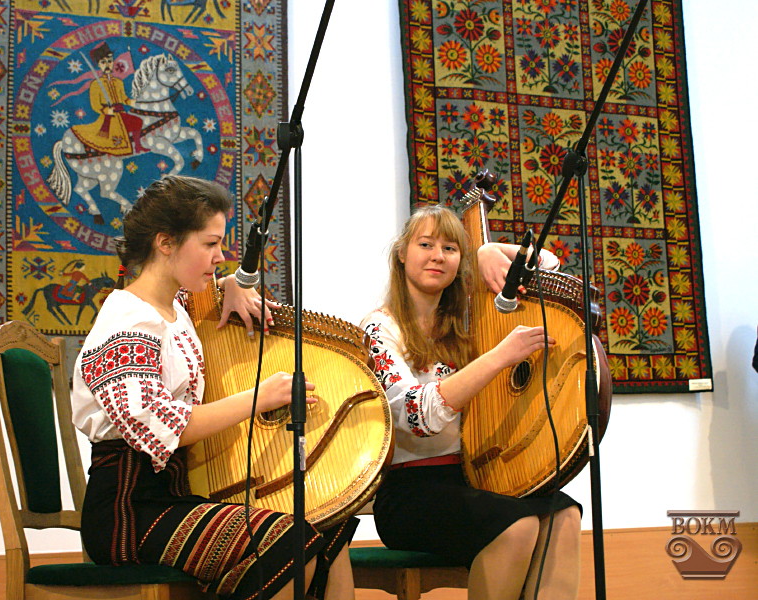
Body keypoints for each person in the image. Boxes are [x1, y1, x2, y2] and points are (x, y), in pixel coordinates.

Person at [71, 175, 356, 600]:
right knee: (289, 540)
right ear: (165, 242)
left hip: (174, 497)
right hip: (129, 513)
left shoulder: (171, 306)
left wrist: (229, 286)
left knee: (329, 525)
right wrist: (259, 397)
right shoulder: (127, 324)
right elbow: (164, 428)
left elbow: (201, 295)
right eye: (210, 244)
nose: (220, 257)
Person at [360, 204, 581, 600]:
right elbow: (416, 416)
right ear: (402, 253)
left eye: (450, 248)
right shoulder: (379, 328)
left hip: (478, 478)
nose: (437, 256)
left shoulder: (467, 321)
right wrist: (498, 357)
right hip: (410, 493)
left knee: (564, 513)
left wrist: (487, 251)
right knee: (517, 525)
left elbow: (549, 264)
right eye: (426, 244)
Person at [72, 42, 145, 156]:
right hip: (107, 117)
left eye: (109, 61)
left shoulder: (118, 82)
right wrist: (105, 110)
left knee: (138, 121)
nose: (107, 65)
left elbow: (124, 99)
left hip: (121, 113)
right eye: (103, 62)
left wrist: (132, 102)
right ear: (99, 65)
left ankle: (138, 146)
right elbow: (95, 105)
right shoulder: (96, 84)